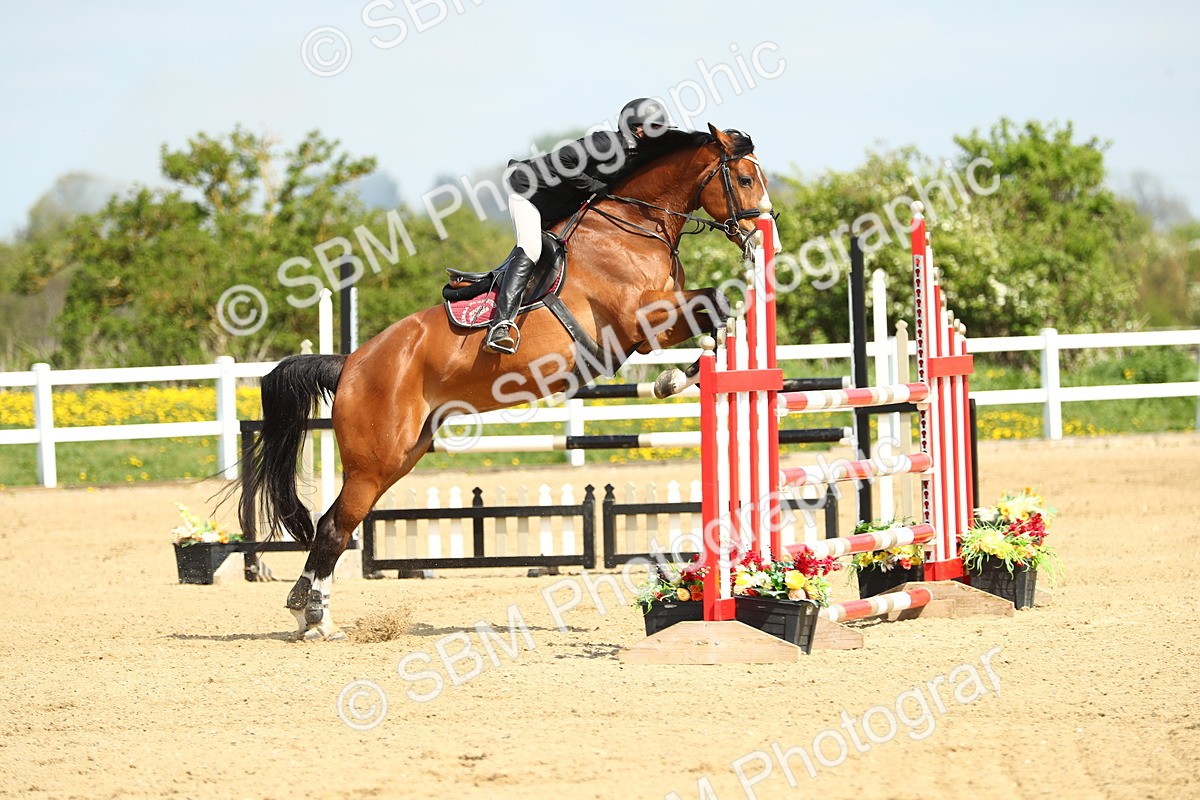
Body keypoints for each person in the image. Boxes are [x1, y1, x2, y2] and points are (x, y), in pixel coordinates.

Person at [483, 98, 675, 355]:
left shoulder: (636, 158)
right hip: (530, 193)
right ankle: (500, 325)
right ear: (634, 128)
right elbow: (564, 162)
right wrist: (596, 188)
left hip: (562, 205)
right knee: (530, 248)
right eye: (652, 129)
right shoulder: (606, 143)